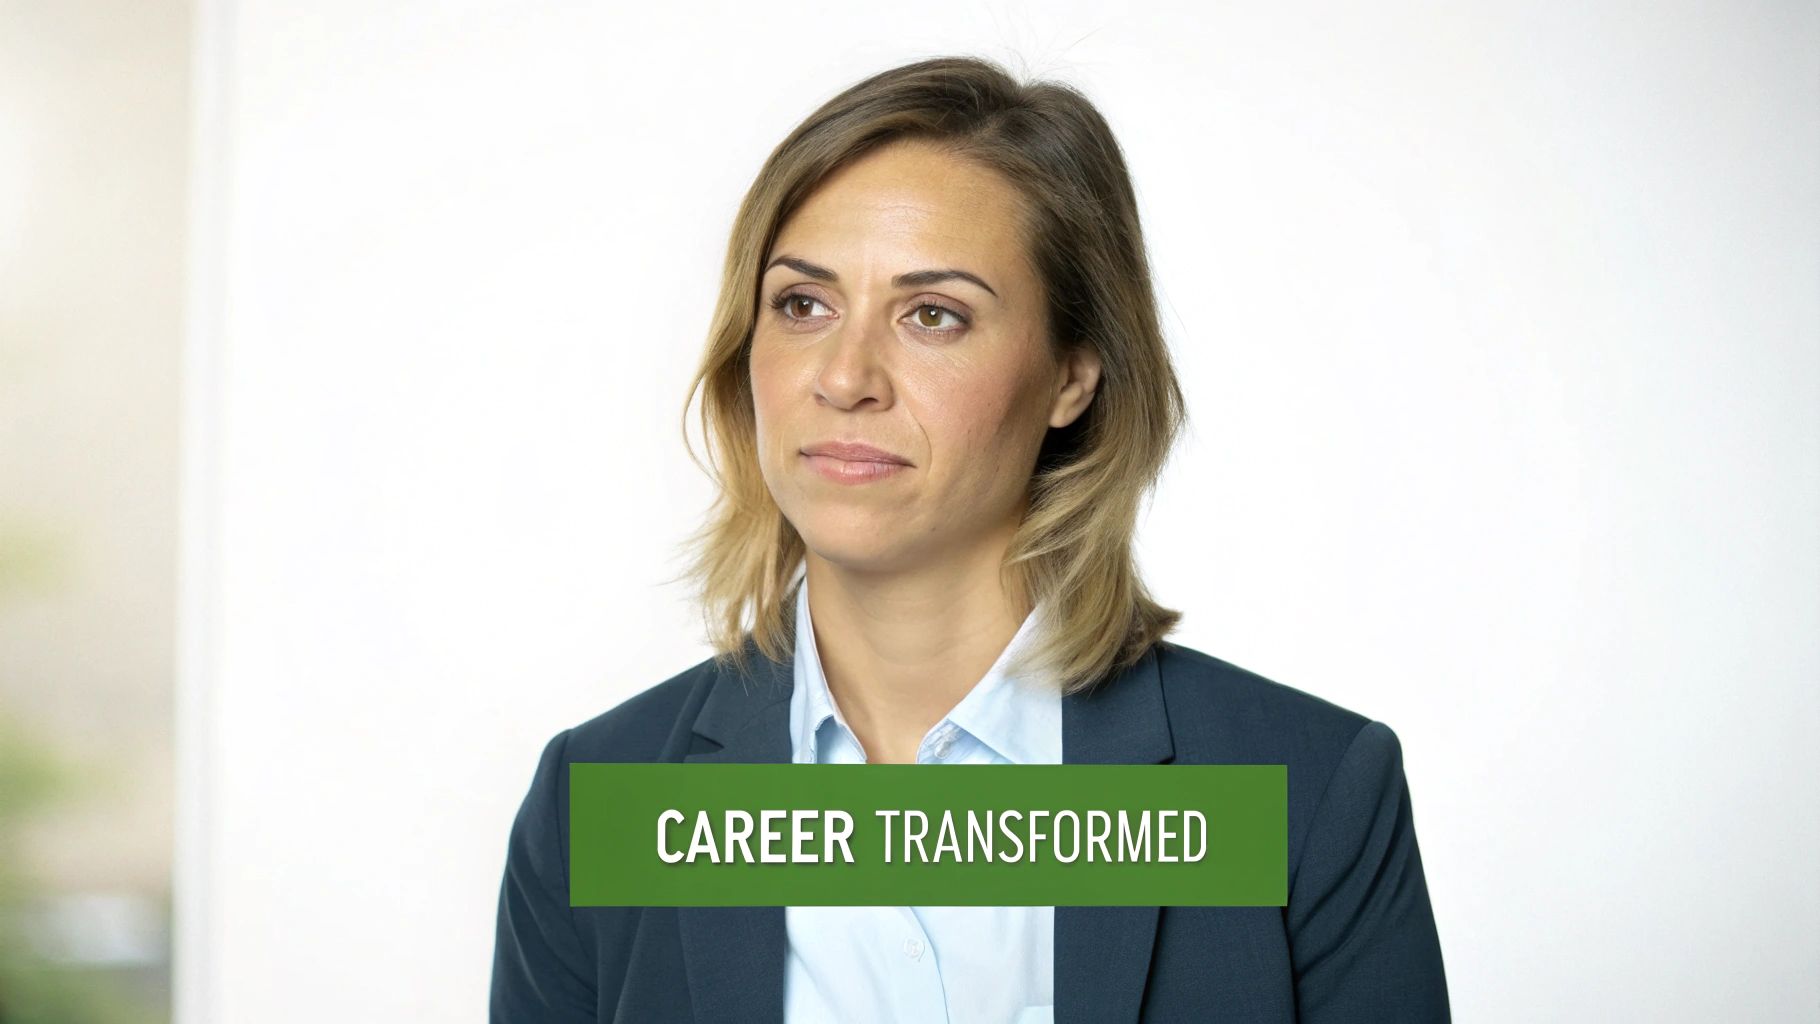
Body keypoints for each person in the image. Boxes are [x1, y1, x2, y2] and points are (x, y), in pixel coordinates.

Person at [490, 54, 1449, 1023]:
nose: (845, 376)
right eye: (802, 304)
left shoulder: (1300, 799)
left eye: (932, 315)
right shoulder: (596, 810)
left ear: (1074, 372)